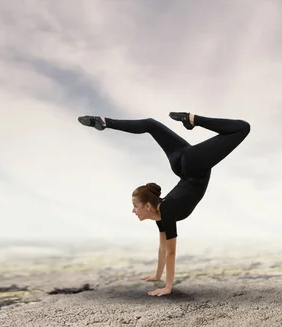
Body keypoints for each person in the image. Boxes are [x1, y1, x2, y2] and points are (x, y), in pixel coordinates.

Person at [77, 112, 250, 297]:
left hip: (194, 165)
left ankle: (195, 120)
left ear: (148, 206)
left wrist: (168, 287)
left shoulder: (166, 210)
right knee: (151, 124)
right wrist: (157, 275)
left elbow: (171, 254)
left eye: (136, 206)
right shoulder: (162, 213)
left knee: (242, 128)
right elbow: (163, 249)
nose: (133, 211)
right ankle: (104, 122)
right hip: (182, 163)